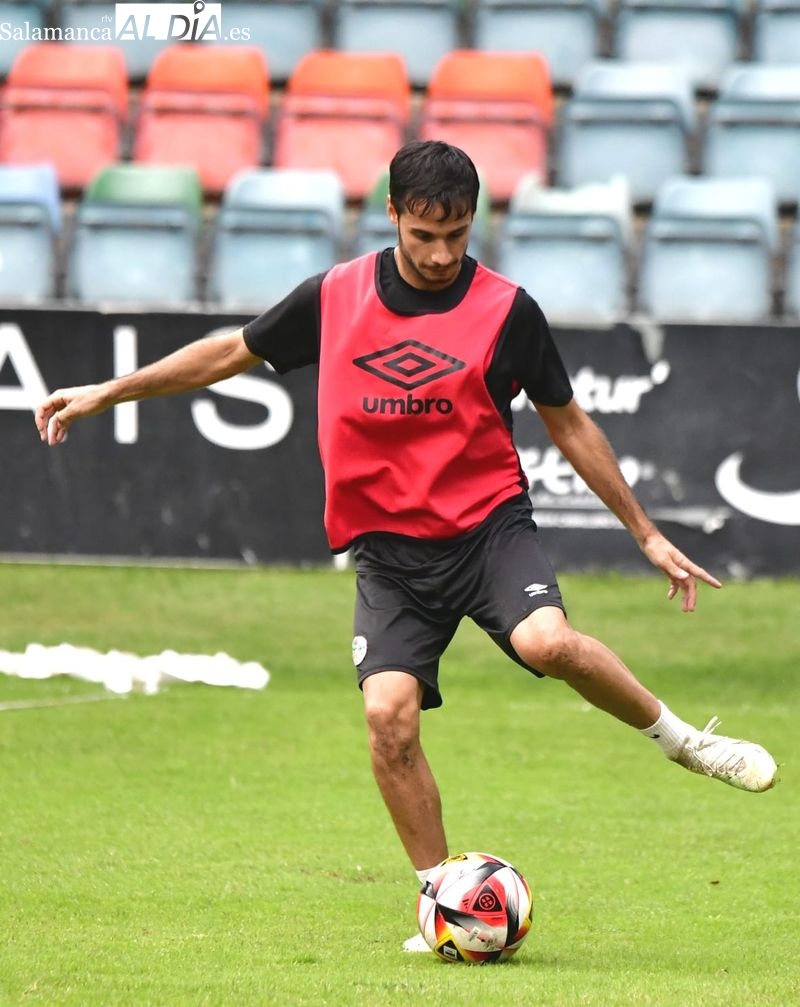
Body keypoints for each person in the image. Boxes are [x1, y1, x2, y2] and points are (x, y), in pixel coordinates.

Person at [36, 140, 777, 953]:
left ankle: (686, 743)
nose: (441, 254)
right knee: (387, 716)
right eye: (424, 234)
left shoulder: (507, 310)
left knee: (549, 641)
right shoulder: (336, 296)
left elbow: (568, 422)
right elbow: (228, 352)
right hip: (390, 555)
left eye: (457, 234)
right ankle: (443, 901)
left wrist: (647, 532)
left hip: (487, 529)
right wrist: (109, 390)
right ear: (391, 213)